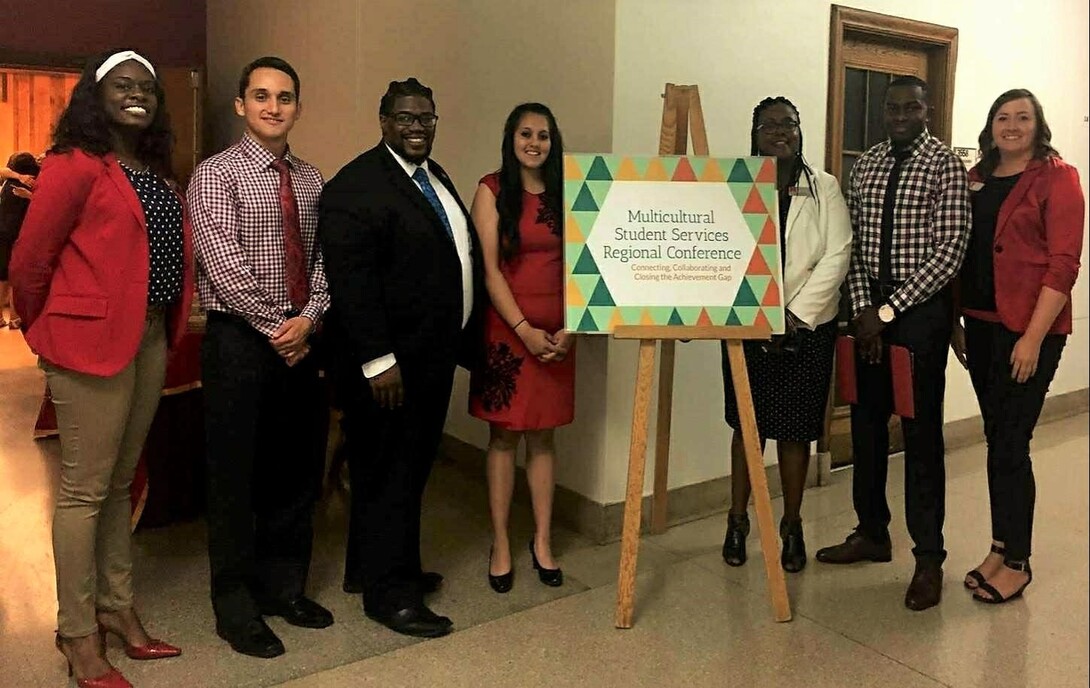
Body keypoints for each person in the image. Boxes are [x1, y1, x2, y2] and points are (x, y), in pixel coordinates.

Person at [10, 49, 191, 688]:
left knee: (119, 484)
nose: (137, 94)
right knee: (84, 491)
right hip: (86, 345)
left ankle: (116, 610)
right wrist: (44, 331)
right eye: (122, 85)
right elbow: (30, 261)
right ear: (96, 95)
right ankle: (77, 633)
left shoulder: (151, 169)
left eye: (146, 86)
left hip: (147, 338)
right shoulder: (72, 165)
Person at [319, 78, 481, 638]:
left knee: (401, 473)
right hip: (389, 368)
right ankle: (393, 597)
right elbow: (352, 282)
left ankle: (376, 568)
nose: (418, 127)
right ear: (383, 120)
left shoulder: (434, 176)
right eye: (406, 118)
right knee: (390, 474)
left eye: (426, 118)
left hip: (430, 358)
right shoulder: (357, 185)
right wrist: (377, 361)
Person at [188, 56, 332, 659]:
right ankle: (236, 605)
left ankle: (283, 587)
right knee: (236, 478)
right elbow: (223, 264)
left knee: (296, 471)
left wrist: (311, 318)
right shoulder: (215, 175)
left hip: (302, 340)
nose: (274, 107)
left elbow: (326, 259)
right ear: (241, 105)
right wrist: (283, 327)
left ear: (297, 106)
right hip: (241, 344)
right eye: (262, 96)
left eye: (286, 97)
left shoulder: (312, 179)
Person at [815, 75, 971, 612]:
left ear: (927, 110)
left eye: (911, 107)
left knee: (920, 436)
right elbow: (853, 244)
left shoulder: (945, 164)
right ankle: (872, 533)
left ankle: (929, 557)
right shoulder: (869, 164)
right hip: (867, 315)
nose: (900, 115)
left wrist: (887, 312)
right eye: (892, 107)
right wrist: (862, 311)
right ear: (884, 112)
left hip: (918, 316)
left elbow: (951, 250)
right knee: (864, 425)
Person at [951, 89, 1084, 604]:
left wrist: (1031, 337)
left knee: (1012, 442)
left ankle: (1019, 563)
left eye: (1022, 117)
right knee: (996, 439)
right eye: (1003, 117)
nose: (1012, 125)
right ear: (991, 126)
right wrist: (959, 321)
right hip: (980, 325)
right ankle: (999, 545)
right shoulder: (977, 178)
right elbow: (966, 251)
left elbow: (1064, 263)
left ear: (1037, 124)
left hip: (1029, 332)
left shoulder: (1056, 177)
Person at [720, 97, 851, 573]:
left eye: (788, 123)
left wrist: (793, 317)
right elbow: (714, 249)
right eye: (769, 124)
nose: (780, 131)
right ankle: (737, 521)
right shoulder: (733, 185)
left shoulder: (826, 188)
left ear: (801, 131)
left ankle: (791, 525)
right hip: (747, 325)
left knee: (795, 432)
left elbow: (837, 255)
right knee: (747, 431)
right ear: (754, 133)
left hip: (806, 330)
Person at [467, 103, 573, 593]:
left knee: (545, 437)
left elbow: (587, 262)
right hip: (509, 332)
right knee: (505, 437)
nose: (535, 142)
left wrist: (573, 326)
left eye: (544, 135)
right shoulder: (491, 190)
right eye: (526, 133)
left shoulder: (569, 190)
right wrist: (525, 329)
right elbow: (488, 271)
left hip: (560, 331)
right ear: (510, 138)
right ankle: (502, 543)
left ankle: (543, 541)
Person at [0, 152, 40, 329]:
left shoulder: (7, 183)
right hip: (18, 236)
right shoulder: (36, 184)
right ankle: (15, 318)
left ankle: (3, 317)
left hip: (3, 233)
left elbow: (4, 171)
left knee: (3, 277)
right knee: (14, 277)